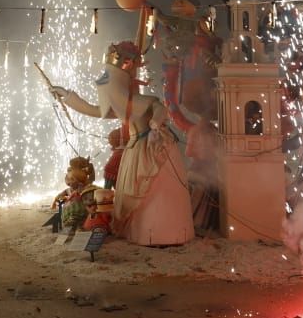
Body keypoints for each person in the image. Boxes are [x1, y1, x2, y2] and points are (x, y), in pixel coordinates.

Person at [49, 41, 194, 247]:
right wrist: (67, 96)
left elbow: (160, 109)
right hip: (135, 151)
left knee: (155, 195)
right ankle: (141, 232)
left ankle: (162, 233)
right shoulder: (125, 105)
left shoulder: (144, 101)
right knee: (134, 195)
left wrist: (155, 123)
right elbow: (95, 110)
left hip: (153, 150)